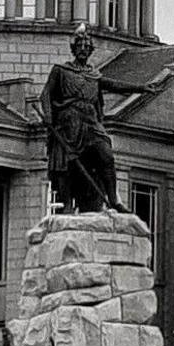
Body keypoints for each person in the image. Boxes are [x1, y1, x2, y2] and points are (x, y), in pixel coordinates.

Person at [44, 31, 124, 216]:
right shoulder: (61, 70)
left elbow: (114, 85)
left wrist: (141, 88)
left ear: (91, 51)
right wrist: (48, 116)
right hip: (69, 121)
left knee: (106, 156)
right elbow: (47, 94)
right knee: (67, 163)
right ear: (73, 49)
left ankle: (114, 200)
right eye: (79, 46)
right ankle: (66, 204)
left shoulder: (93, 75)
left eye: (87, 47)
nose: (83, 50)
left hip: (90, 121)